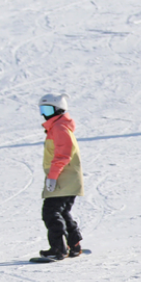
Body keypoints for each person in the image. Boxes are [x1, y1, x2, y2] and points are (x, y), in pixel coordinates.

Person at [38, 94, 85, 260]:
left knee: (51, 212)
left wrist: (52, 177)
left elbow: (63, 155)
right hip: (67, 178)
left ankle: (58, 248)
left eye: (48, 110)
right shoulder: (58, 126)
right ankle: (74, 245)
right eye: (42, 110)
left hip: (62, 178)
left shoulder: (59, 128)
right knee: (62, 211)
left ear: (59, 110)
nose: (44, 114)